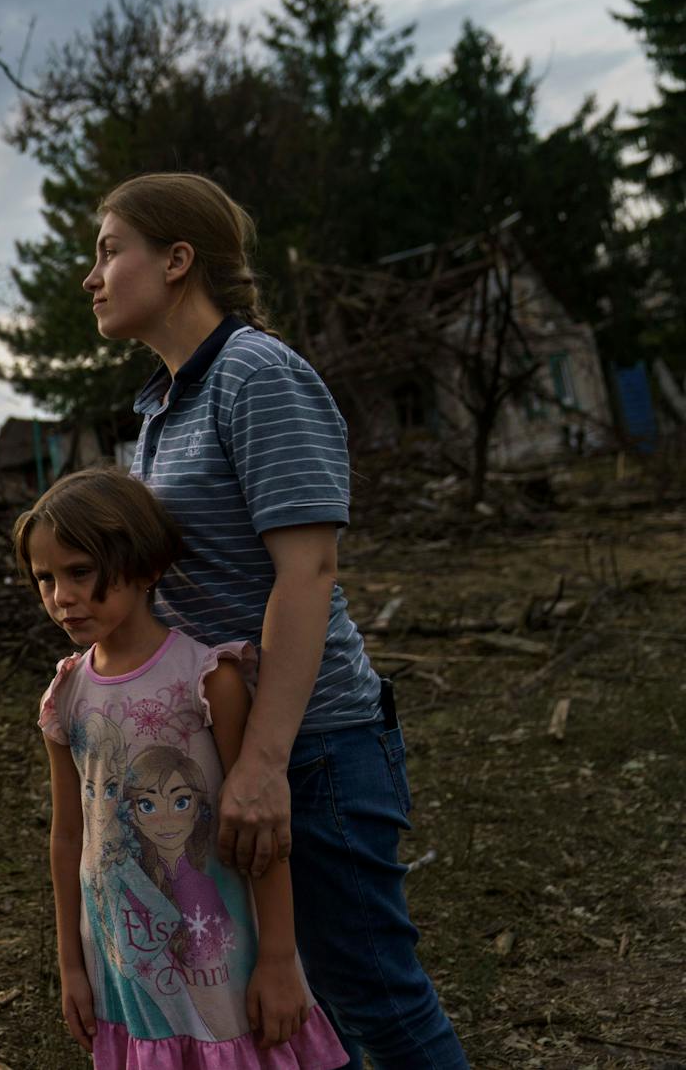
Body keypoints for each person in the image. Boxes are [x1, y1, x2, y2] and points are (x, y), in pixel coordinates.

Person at [80, 172, 465, 1066]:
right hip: (233, 743)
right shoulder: (162, 404)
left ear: (177, 260)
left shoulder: (256, 375)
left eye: (109, 250)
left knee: (374, 999)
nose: (92, 276)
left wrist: (262, 762)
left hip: (312, 743)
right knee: (306, 1007)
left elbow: (308, 571)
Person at [23, 468, 346, 1067]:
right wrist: (71, 965)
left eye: (80, 571)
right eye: (46, 578)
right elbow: (69, 837)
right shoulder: (65, 696)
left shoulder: (208, 680)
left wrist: (279, 958)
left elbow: (259, 830)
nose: (61, 596)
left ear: (146, 568)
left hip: (219, 959)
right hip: (123, 961)